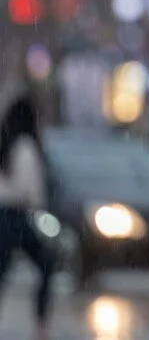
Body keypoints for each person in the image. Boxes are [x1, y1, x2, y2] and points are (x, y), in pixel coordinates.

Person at [0, 75, 53, 340]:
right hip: (15, 217)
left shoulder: (5, 146)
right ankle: (41, 326)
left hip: (3, 216)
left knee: (2, 272)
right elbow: (30, 190)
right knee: (46, 264)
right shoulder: (25, 147)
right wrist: (40, 209)